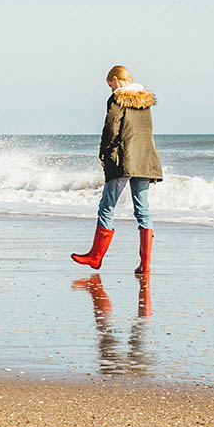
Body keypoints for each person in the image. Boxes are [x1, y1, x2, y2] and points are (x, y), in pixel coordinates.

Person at [71, 65, 162, 273]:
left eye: (110, 84)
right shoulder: (144, 101)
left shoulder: (118, 98)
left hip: (123, 159)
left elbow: (111, 128)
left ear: (116, 79)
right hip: (145, 158)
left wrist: (104, 154)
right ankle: (145, 265)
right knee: (142, 210)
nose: (110, 88)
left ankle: (95, 256)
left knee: (107, 205)